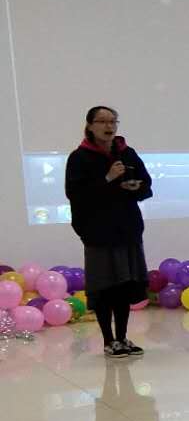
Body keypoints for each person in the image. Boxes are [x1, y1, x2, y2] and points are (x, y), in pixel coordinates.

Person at [65, 106, 152, 359]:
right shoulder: (79, 157)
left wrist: (136, 187)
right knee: (105, 287)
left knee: (125, 285)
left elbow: (147, 185)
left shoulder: (127, 152)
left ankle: (122, 338)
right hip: (98, 232)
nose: (109, 126)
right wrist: (107, 178)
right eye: (102, 121)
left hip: (127, 229)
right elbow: (75, 194)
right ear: (90, 126)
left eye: (113, 121)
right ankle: (108, 340)